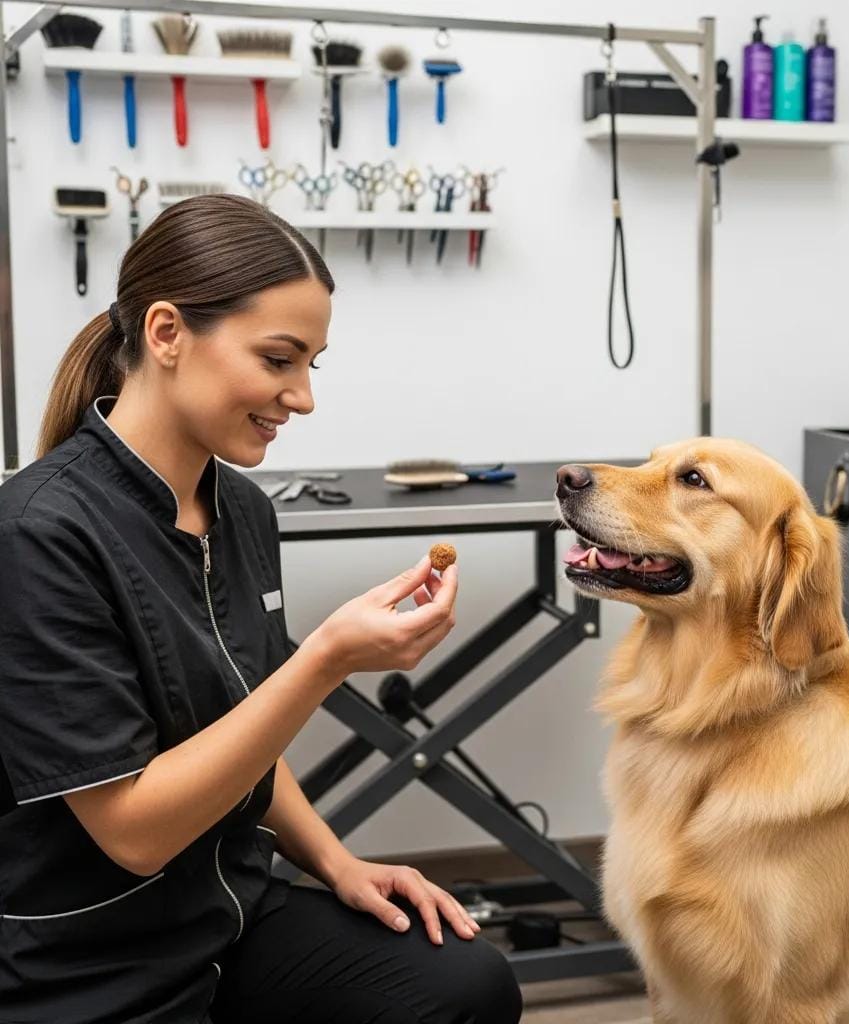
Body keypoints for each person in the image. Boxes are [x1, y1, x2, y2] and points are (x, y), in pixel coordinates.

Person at [0, 194, 523, 1024]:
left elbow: (243, 731)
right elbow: (133, 834)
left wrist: (335, 862)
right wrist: (325, 659)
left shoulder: (242, 511)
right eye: (280, 360)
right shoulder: (38, 534)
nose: (304, 396)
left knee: (464, 983)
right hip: (88, 960)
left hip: (230, 915)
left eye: (313, 363)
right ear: (167, 334)